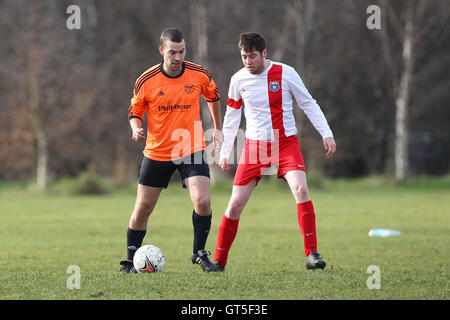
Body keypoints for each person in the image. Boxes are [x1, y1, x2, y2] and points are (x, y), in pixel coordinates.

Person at [213, 32, 336, 271]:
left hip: (285, 144)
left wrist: (327, 133)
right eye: (243, 57)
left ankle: (311, 254)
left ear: (264, 54)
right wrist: (225, 151)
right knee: (235, 204)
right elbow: (232, 116)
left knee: (301, 188)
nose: (248, 62)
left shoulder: (286, 73)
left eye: (252, 56)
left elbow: (308, 103)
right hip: (254, 147)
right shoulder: (238, 79)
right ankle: (219, 262)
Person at [120, 27, 222, 273]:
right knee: (143, 208)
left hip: (192, 148)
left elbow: (213, 95)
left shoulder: (198, 74)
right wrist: (136, 128)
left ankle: (199, 253)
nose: (178, 57)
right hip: (157, 152)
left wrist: (217, 128)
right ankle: (130, 260)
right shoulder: (147, 80)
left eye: (182, 51)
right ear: (161, 50)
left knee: (203, 200)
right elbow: (135, 111)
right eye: (172, 52)